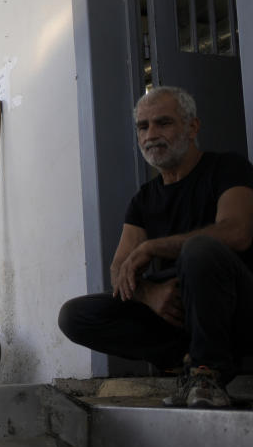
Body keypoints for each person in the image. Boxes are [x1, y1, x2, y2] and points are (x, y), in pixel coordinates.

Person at [58, 86, 253, 408]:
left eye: (163, 123)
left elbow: (238, 232)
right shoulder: (144, 199)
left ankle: (207, 373)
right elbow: (120, 269)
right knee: (76, 315)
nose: (151, 135)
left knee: (199, 249)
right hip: (181, 312)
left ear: (192, 127)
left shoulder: (228, 169)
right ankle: (186, 363)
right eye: (143, 126)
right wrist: (150, 295)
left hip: (235, 308)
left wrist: (153, 248)